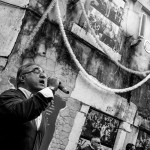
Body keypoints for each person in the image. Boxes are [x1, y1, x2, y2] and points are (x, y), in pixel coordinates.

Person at [0, 63, 60, 150]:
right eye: (36, 71)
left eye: (43, 73)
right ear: (22, 78)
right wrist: (50, 88)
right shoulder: (8, 96)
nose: (43, 75)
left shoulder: (40, 111)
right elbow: (22, 112)